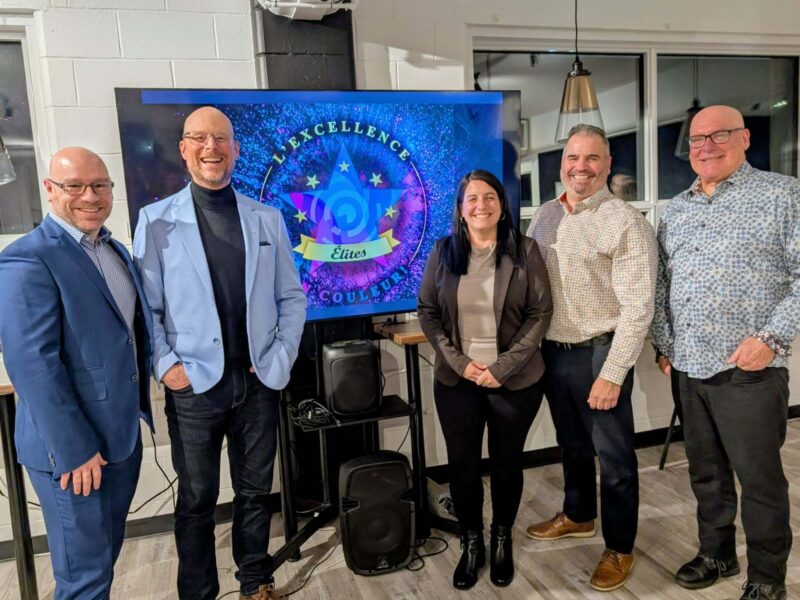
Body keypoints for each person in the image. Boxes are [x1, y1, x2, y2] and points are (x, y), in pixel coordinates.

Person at [134, 106, 307, 600]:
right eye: (200, 138)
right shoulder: (156, 221)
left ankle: (255, 582)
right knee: (196, 500)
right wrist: (167, 366)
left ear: (235, 148)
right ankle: (198, 592)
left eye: (221, 138)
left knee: (255, 494)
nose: (212, 147)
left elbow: (292, 298)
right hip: (194, 389)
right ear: (184, 149)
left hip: (257, 383)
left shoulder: (267, 217)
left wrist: (280, 355)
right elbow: (148, 308)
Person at [651, 105, 797, 600]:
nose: (706, 146)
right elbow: (661, 283)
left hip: (748, 370)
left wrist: (771, 339)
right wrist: (666, 345)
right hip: (689, 368)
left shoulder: (783, 195)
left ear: (745, 138)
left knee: (759, 482)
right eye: (696, 139)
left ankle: (767, 577)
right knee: (706, 474)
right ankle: (717, 553)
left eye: (719, 135)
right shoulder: (678, 209)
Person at [0, 147, 154, 599]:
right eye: (75, 186)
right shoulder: (27, 259)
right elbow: (32, 364)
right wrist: (74, 450)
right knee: (84, 579)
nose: (90, 196)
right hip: (73, 455)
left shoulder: (114, 250)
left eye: (100, 185)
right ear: (50, 190)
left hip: (120, 440)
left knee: (101, 562)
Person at [525, 124, 658, 592]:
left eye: (592, 159)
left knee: (615, 459)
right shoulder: (544, 216)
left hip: (600, 352)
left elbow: (639, 308)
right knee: (572, 445)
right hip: (553, 353)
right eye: (572, 158)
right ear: (561, 164)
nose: (580, 167)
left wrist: (613, 371)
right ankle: (579, 514)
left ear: (608, 164)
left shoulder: (625, 222)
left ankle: (620, 548)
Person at [417, 169, 552, 590]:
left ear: (501, 204)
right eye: (472, 198)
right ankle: (471, 542)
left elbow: (539, 315)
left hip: (514, 381)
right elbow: (428, 312)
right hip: (457, 382)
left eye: (489, 196)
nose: (481, 205)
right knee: (463, 466)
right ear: (460, 208)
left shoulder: (524, 250)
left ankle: (501, 539)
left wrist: (501, 367)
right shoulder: (443, 252)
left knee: (507, 464)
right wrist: (461, 363)